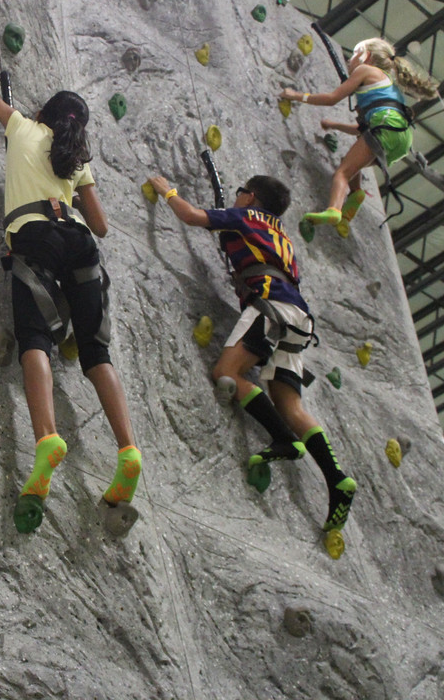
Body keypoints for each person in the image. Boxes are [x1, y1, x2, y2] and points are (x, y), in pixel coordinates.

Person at [0, 21, 141, 534]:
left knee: (34, 338)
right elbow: (101, 225)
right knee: (96, 353)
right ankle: (127, 448)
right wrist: (69, 186)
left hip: (35, 237)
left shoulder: (24, 128)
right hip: (81, 243)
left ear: (44, 112)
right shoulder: (77, 161)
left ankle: (47, 436)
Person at [145, 173, 356, 538]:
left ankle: (284, 439)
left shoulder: (247, 218)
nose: (237, 196)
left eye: (241, 192)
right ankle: (336, 478)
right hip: (298, 318)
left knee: (228, 372)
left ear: (251, 196)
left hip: (270, 307)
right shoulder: (282, 236)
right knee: (291, 405)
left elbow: (194, 217)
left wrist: (169, 192)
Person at [279, 37, 438, 240]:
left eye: (355, 53)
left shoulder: (365, 71)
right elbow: (362, 131)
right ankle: (356, 194)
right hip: (401, 139)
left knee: (343, 172)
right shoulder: (389, 86)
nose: (350, 59)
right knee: (355, 163)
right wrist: (334, 125)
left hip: (384, 129)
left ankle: (334, 211)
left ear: (366, 55)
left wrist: (295, 95)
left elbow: (332, 98)